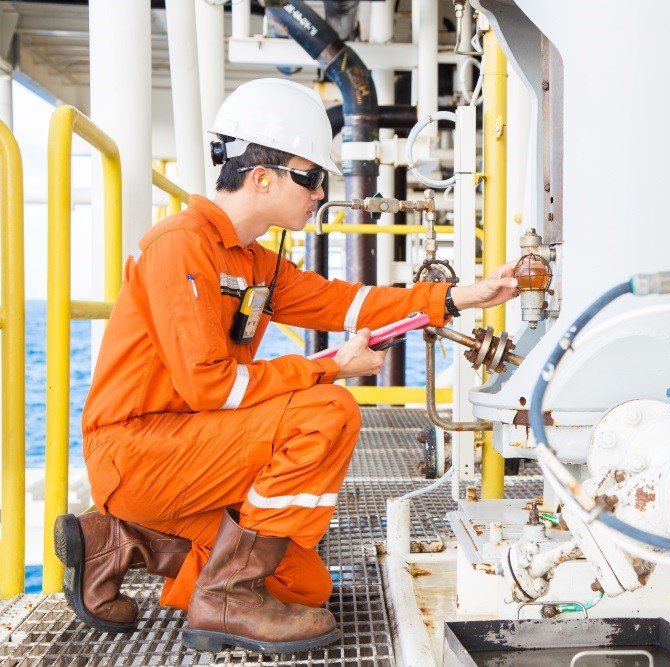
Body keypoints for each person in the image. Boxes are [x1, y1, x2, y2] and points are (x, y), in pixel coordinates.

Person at [53, 78, 519, 654]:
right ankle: (226, 595)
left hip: (190, 448)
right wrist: (329, 369)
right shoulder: (180, 246)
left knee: (305, 588)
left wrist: (464, 296)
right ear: (261, 176)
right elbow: (210, 386)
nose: (320, 192)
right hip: (137, 454)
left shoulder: (254, 262)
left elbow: (348, 304)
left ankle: (120, 542)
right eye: (311, 177)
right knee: (326, 412)